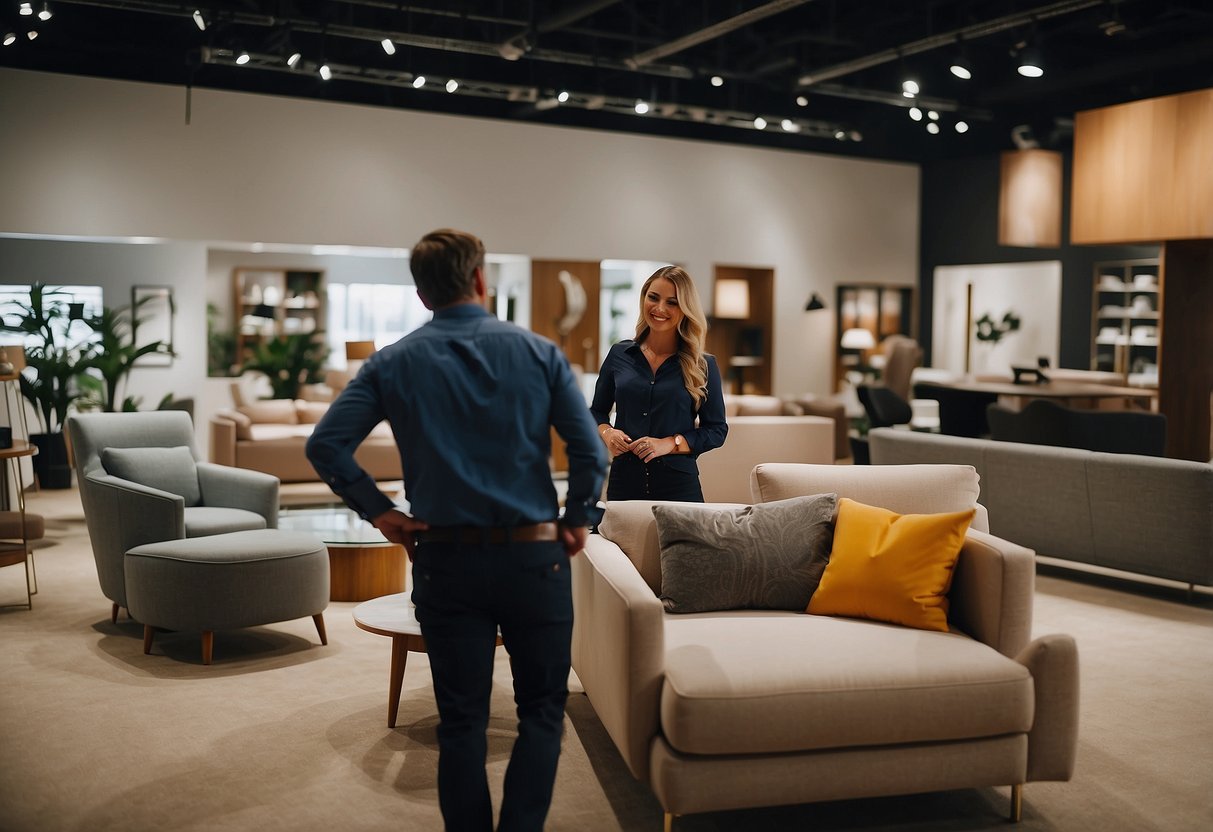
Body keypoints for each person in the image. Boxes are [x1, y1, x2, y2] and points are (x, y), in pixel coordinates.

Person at [306, 229, 607, 832]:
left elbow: (326, 446)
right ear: (479, 280)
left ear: (422, 295)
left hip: (445, 563)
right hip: (534, 561)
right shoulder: (540, 352)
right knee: (542, 712)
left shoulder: (391, 362)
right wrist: (577, 519)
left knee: (462, 721)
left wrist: (381, 513)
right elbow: (589, 451)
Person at [590, 265, 727, 502]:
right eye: (653, 297)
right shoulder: (619, 354)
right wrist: (607, 433)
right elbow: (596, 412)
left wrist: (670, 443)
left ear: (685, 308)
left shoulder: (703, 365)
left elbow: (716, 430)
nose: (660, 308)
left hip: (679, 488)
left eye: (672, 302)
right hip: (624, 482)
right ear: (643, 298)